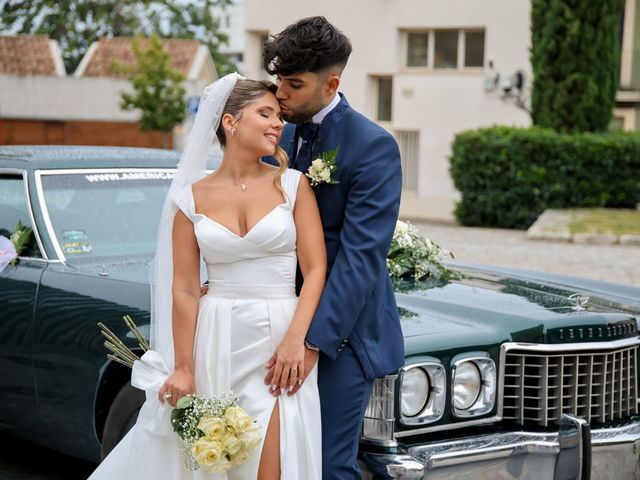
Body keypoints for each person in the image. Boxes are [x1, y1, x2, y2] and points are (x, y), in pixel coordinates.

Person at [89, 74, 325, 479]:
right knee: (220, 463)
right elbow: (183, 289)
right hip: (216, 337)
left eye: (279, 116)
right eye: (265, 113)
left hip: (279, 341)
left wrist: (296, 340)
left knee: (273, 463)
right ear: (230, 122)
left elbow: (316, 269)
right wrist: (183, 367)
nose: (277, 124)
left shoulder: (293, 185)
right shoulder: (190, 199)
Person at [262, 16, 405, 479]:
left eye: (294, 84)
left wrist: (312, 342)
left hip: (340, 335)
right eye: (278, 80)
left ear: (332, 84)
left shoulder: (373, 146)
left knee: (325, 465)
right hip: (270, 319)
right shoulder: (276, 136)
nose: (280, 93)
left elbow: (361, 260)